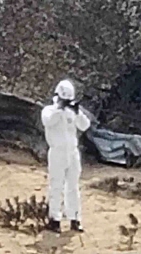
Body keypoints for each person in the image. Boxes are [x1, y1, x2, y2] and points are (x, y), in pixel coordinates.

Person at [41, 80, 91, 233]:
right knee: (56, 185)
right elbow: (48, 122)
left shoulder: (72, 111)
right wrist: (60, 109)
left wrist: (77, 112)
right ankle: (54, 219)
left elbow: (85, 125)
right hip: (57, 152)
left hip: (73, 152)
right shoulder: (49, 110)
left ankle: (74, 218)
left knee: (73, 187)